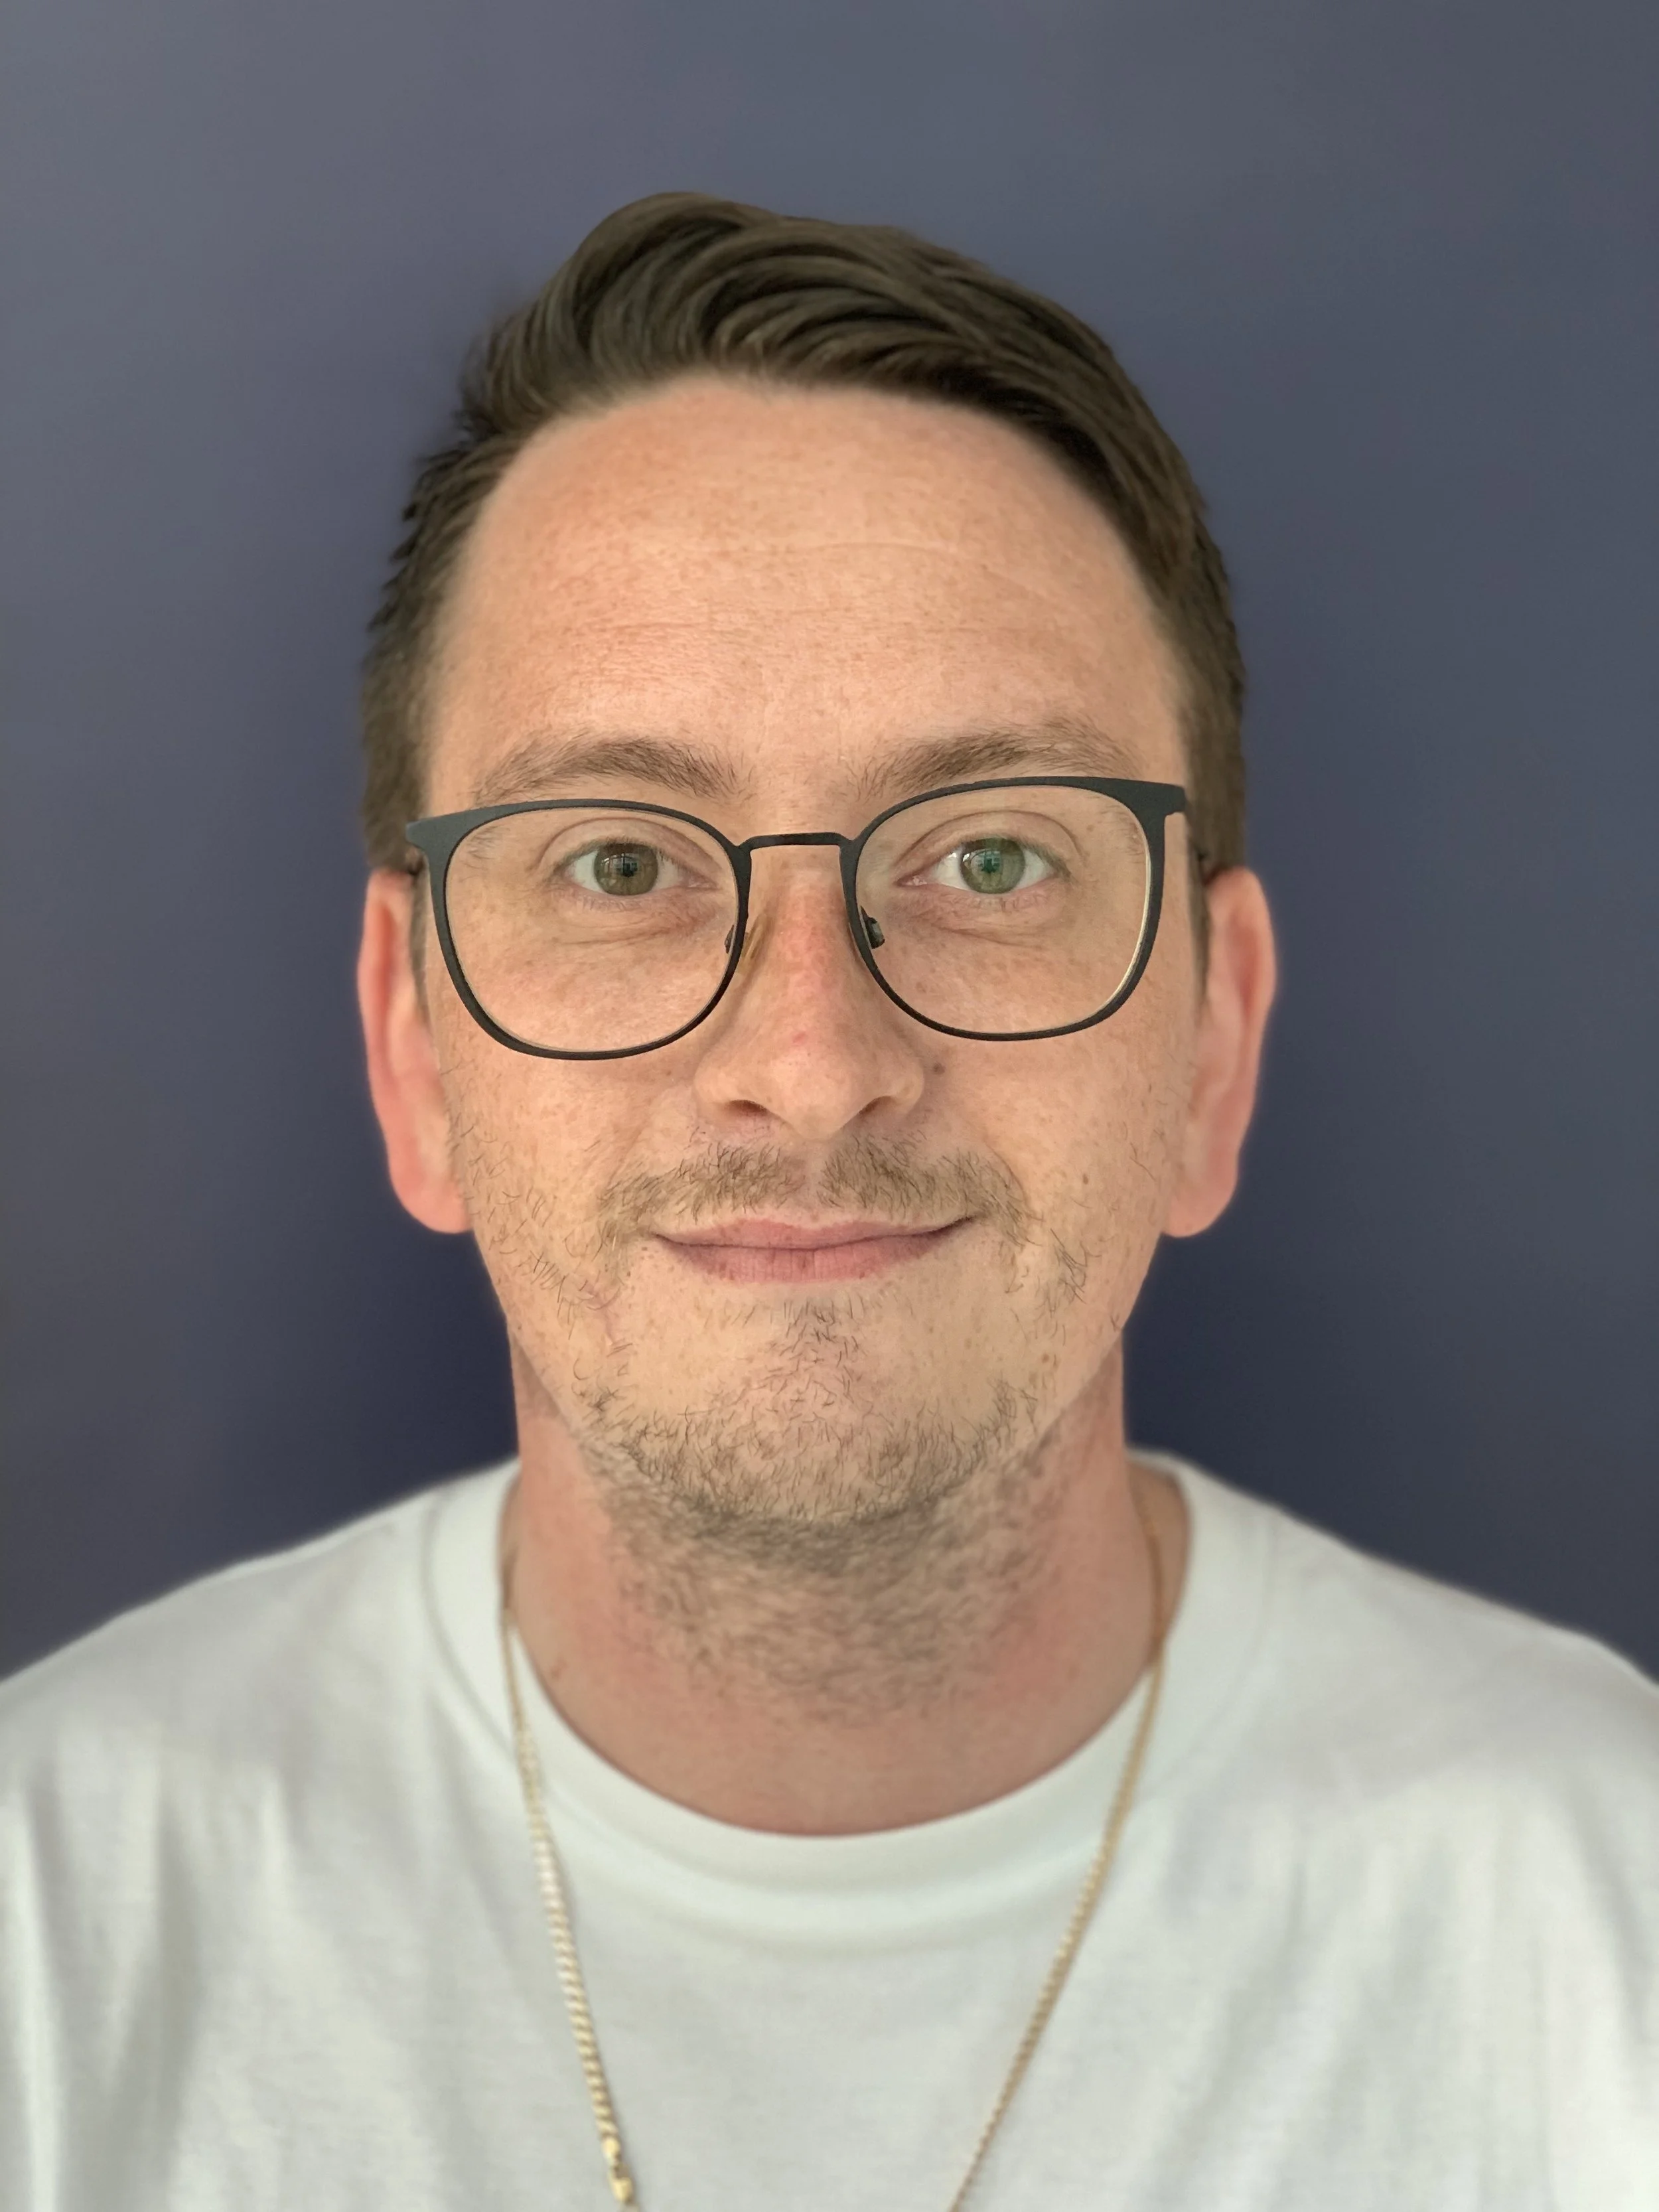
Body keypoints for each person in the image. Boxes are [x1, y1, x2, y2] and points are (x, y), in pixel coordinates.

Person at [2, 192, 1654, 2212]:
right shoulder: (44, 1918)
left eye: (988, 861)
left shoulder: (1608, 1910)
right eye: (618, 861)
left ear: (1213, 1047)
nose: (810, 1057)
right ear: (412, 1044)